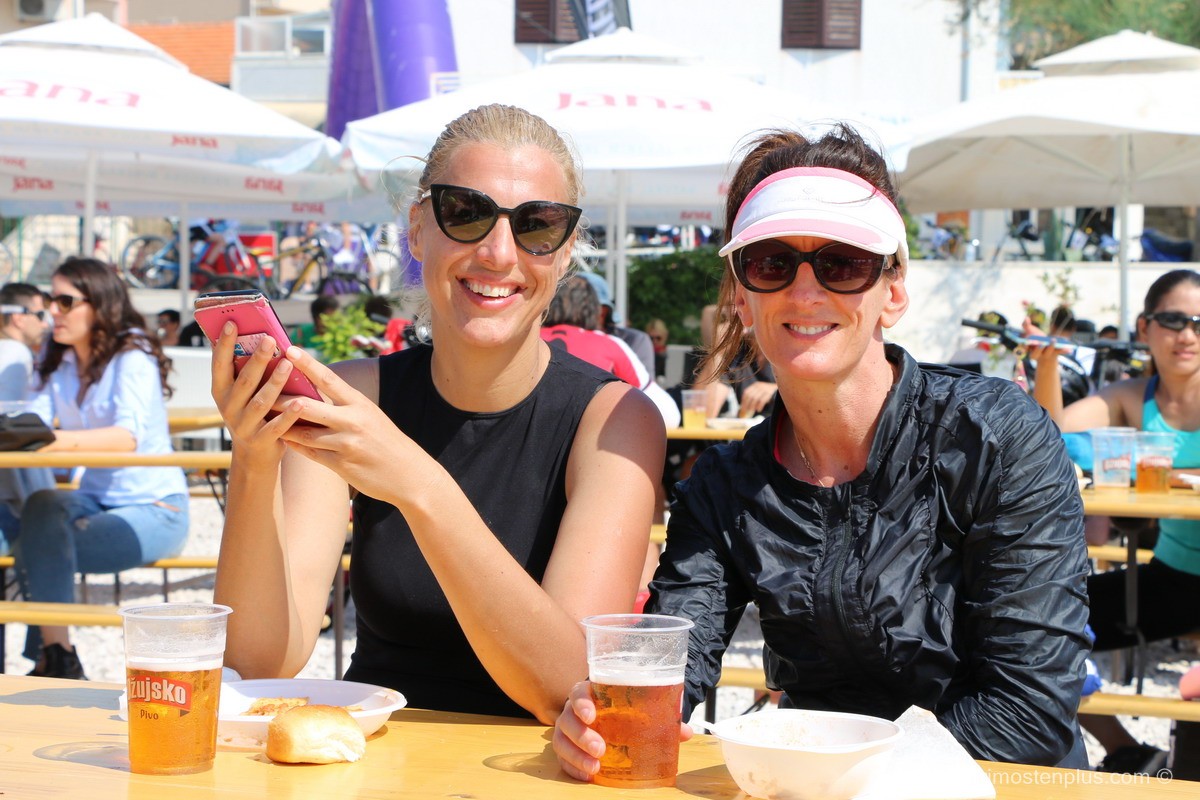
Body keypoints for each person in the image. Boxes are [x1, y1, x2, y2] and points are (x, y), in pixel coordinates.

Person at [554, 123, 1091, 774]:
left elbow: (1029, 709)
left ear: (893, 291)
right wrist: (596, 720)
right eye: (772, 262)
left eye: (842, 263)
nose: (805, 292)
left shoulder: (996, 439)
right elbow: (675, 669)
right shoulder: (725, 486)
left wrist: (845, 776)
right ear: (742, 298)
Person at [210, 103, 664, 723]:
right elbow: (259, 661)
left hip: (531, 767)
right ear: (418, 230)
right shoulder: (353, 395)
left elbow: (567, 686)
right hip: (373, 754)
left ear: (563, 255)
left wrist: (419, 486)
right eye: (467, 213)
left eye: (537, 226)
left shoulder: (614, 420)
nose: (498, 253)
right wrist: (255, 458)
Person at [1026, 268, 1200, 774]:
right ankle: (1128, 748)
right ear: (1145, 327)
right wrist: (1048, 365)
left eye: (1199, 323)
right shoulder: (1132, 397)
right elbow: (1044, 434)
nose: (1188, 335)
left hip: (1174, 583)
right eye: (1174, 320)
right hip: (1173, 578)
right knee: (1032, 626)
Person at [16, 257, 189, 679]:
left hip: (157, 509)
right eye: (49, 301)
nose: (51, 311)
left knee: (32, 542)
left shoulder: (132, 353)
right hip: (94, 501)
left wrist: (50, 441)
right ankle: (58, 656)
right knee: (40, 508)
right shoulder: (56, 357)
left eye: (64, 301)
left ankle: (52, 660)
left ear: (99, 304)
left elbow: (126, 438)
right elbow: (30, 422)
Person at [0, 282, 54, 555]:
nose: (46, 323)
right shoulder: (15, 353)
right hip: (10, 504)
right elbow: (10, 428)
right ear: (18, 318)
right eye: (40, 314)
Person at [578, 270, 656, 379]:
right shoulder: (560, 339)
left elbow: (641, 387)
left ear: (602, 312)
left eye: (573, 308)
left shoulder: (633, 341)